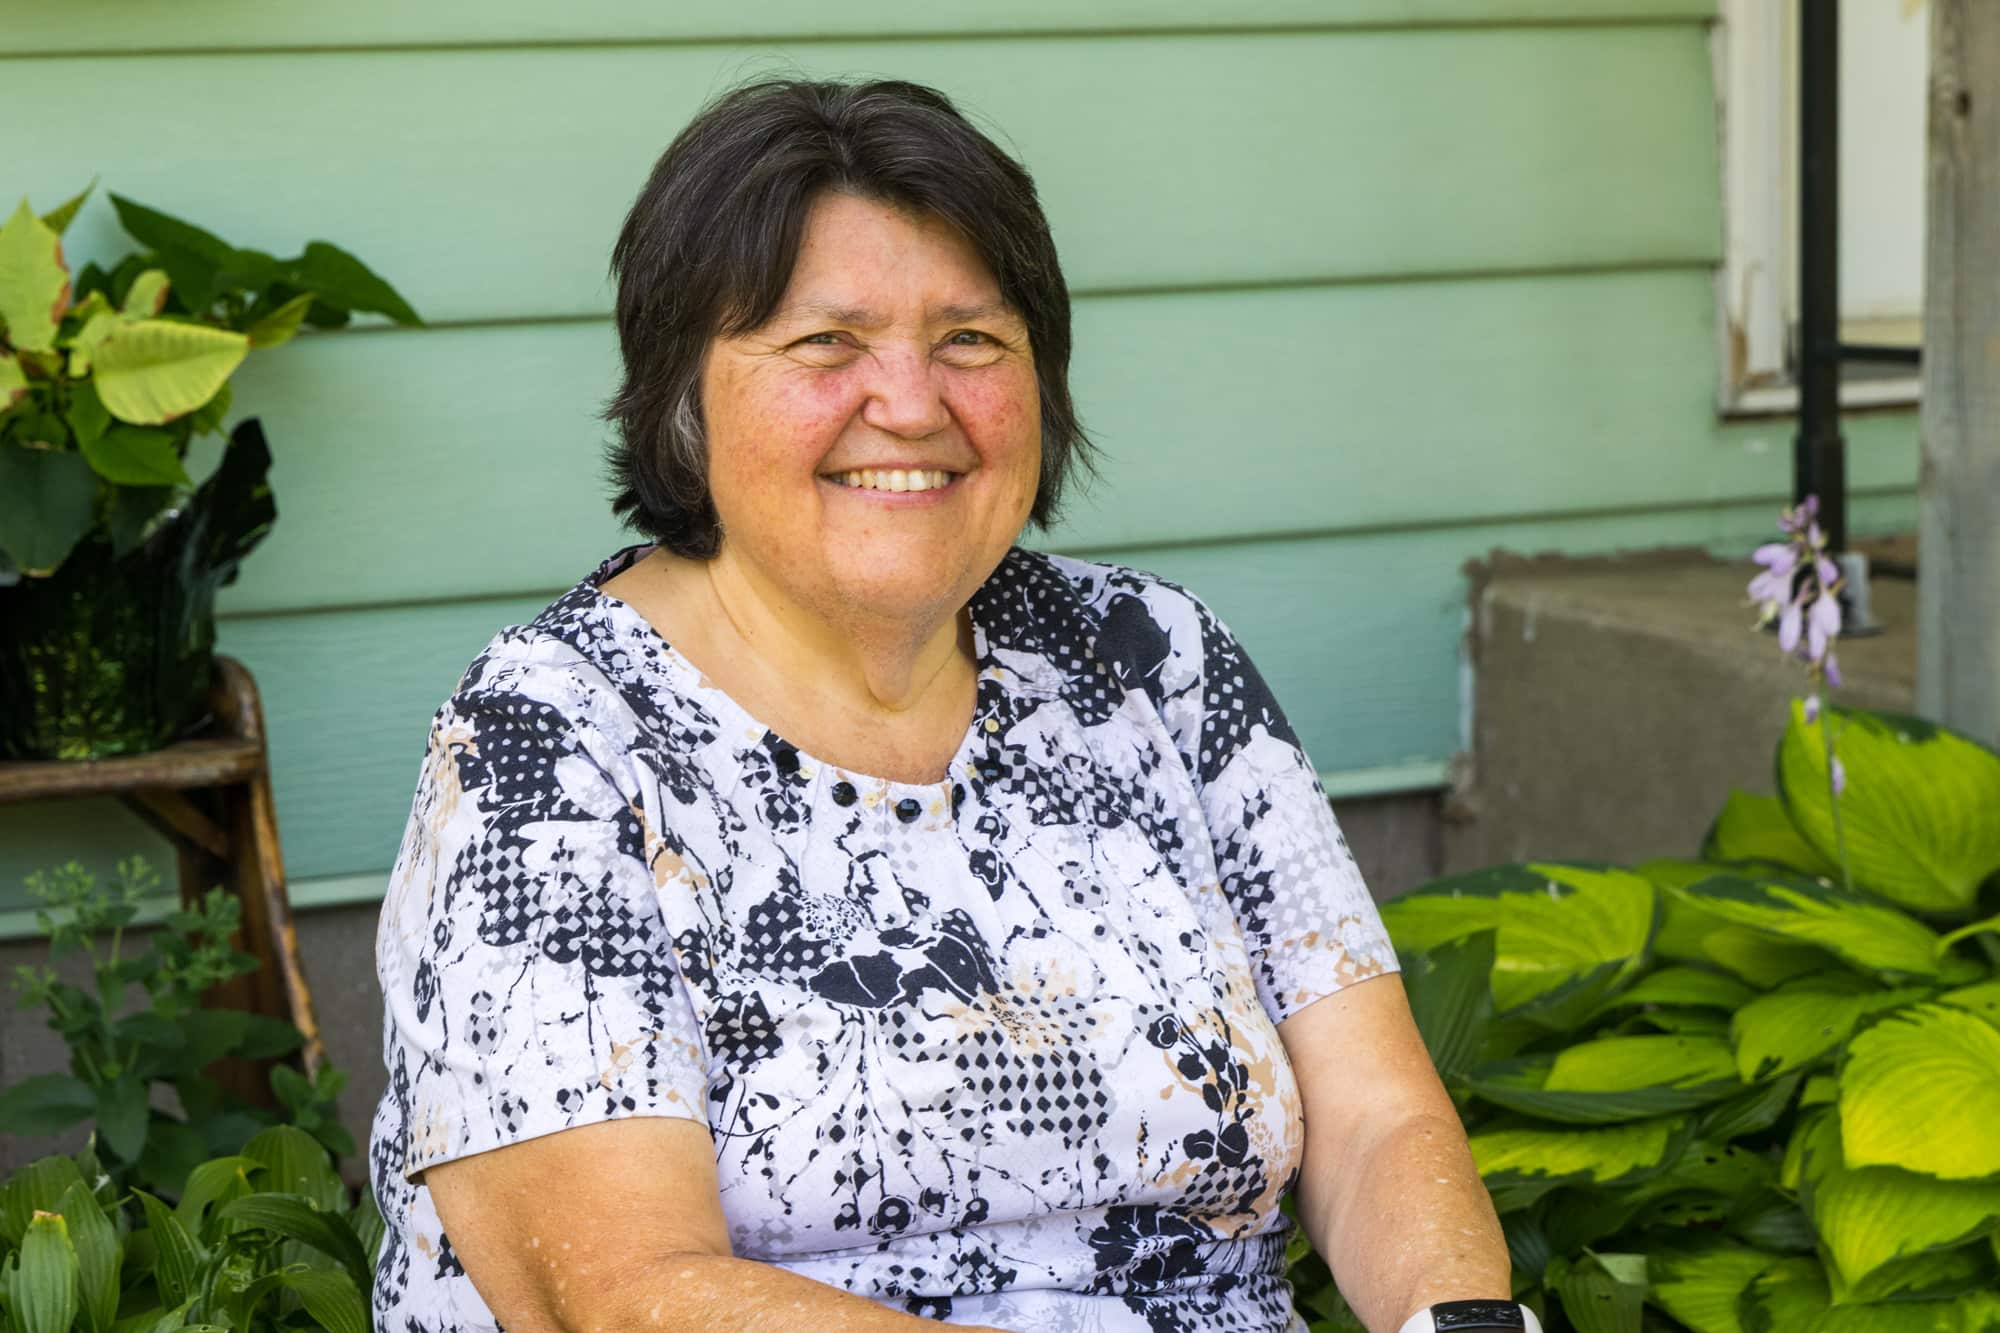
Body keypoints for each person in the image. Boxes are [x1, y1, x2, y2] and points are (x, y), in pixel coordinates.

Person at [369, 78, 1522, 1333]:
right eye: (825, 344)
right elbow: (628, 1294)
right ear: (684, 397)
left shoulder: (1149, 657)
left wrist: (1453, 1320)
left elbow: (1375, 1115)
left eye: (970, 338)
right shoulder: (550, 739)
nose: (912, 404)